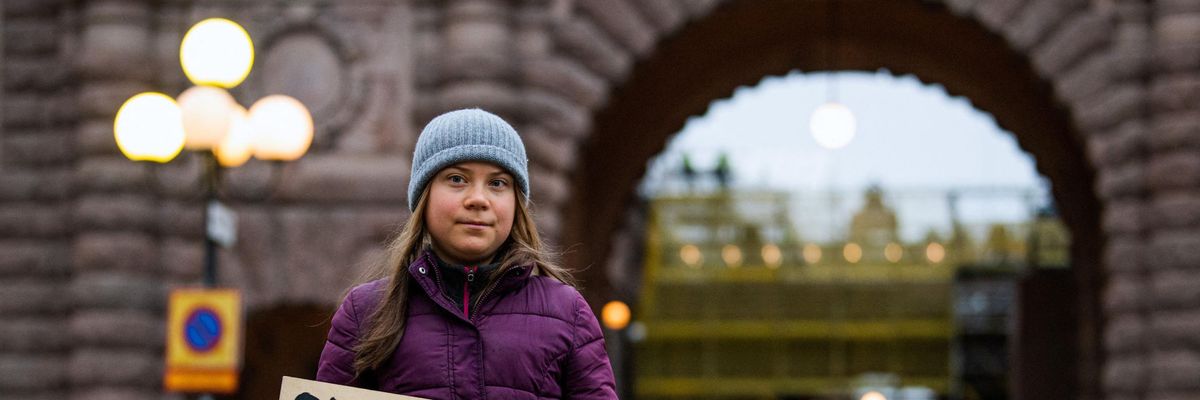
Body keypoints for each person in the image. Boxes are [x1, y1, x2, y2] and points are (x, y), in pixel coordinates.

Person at [315, 109, 617, 399]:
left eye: (497, 183)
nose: (477, 199)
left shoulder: (567, 312)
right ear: (424, 196)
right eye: (457, 179)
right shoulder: (366, 311)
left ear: (516, 205)